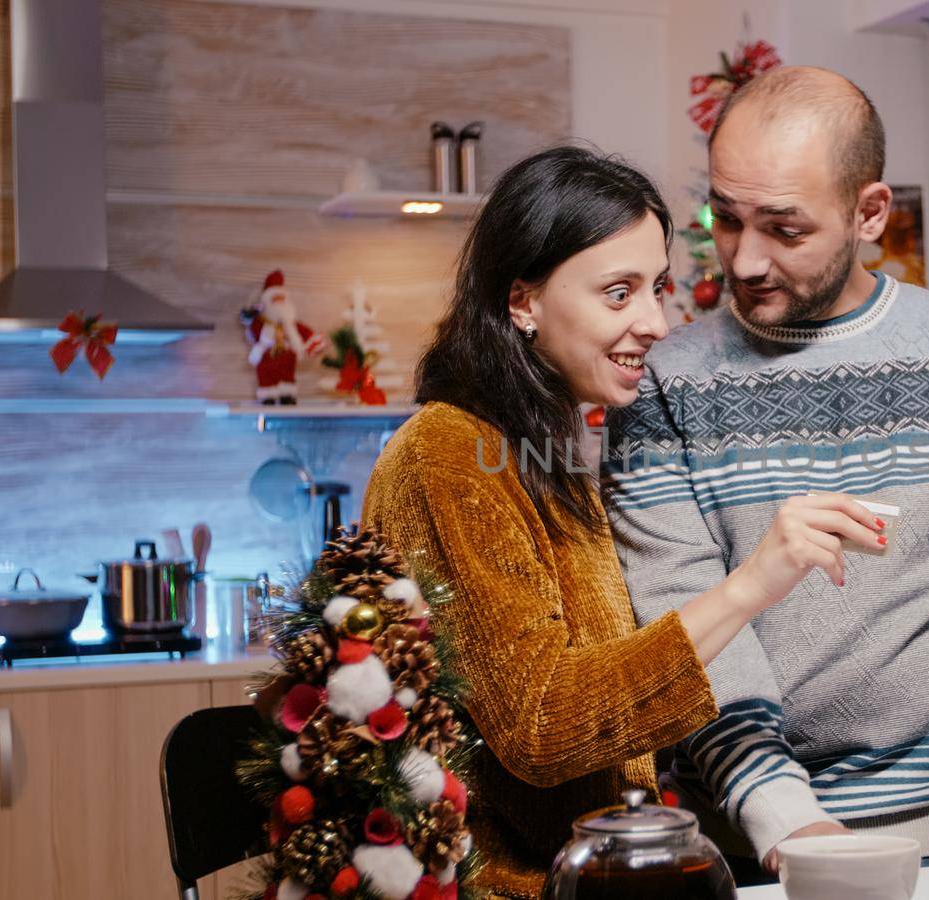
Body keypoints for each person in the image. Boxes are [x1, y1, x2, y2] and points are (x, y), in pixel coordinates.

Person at [603, 67, 929, 881]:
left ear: (870, 212)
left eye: (786, 229)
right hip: (760, 846)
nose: (747, 258)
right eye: (724, 219)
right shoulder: (665, 382)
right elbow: (682, 627)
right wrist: (787, 820)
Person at [360, 145, 882, 899]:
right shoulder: (447, 454)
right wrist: (748, 587)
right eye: (618, 293)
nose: (656, 321)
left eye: (659, 289)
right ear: (522, 301)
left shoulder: (540, 450)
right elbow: (543, 725)